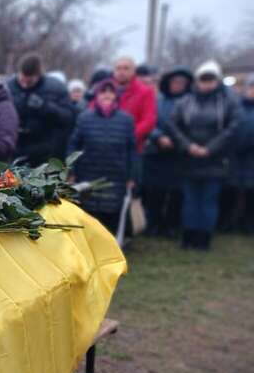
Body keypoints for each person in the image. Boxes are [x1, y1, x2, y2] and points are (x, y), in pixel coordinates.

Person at [165, 60, 243, 250]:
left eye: (211, 79)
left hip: (215, 160)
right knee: (190, 200)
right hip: (189, 160)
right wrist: (188, 146)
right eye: (203, 79)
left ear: (217, 80)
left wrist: (211, 148)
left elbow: (234, 126)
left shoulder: (228, 101)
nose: (206, 83)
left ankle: (204, 238)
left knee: (208, 200)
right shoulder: (186, 101)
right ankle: (188, 236)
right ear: (197, 80)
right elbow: (172, 125)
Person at [68, 78, 138, 234]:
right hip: (88, 174)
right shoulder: (84, 118)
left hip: (116, 177)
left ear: (116, 96)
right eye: (103, 91)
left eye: (111, 91)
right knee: (89, 217)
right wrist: (71, 170)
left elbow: (132, 150)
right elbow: (73, 145)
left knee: (111, 218)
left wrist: (133, 176)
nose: (107, 95)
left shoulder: (126, 120)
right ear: (97, 95)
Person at [142, 66, 193, 237]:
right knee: (155, 192)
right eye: (174, 81)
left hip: (179, 154)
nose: (178, 85)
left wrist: (178, 141)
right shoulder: (158, 100)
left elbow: (193, 126)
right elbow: (150, 120)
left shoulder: (191, 102)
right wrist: (159, 137)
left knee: (176, 193)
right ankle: (153, 224)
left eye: (181, 82)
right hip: (157, 152)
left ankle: (171, 226)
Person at [7, 53, 76, 166]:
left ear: (38, 75)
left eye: (29, 82)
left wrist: (45, 107)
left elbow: (69, 118)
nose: (24, 85)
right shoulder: (9, 86)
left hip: (44, 153)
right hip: (15, 149)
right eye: (22, 80)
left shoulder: (56, 88)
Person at [112, 56, 157, 152]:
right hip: (107, 146)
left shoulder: (145, 92)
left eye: (126, 68)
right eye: (118, 68)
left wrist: (127, 135)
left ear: (133, 71)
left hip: (132, 147)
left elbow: (149, 121)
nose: (121, 72)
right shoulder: (105, 90)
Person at [228, 74, 254, 233]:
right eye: (251, 87)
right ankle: (230, 221)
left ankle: (249, 223)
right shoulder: (236, 107)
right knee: (231, 189)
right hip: (235, 155)